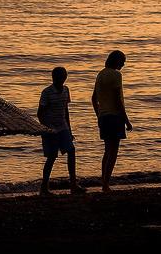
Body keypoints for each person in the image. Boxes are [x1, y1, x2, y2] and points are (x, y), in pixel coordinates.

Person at [37, 66, 86, 196]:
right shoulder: (46, 92)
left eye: (62, 77)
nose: (61, 80)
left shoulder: (65, 90)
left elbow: (66, 110)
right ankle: (44, 187)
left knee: (71, 151)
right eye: (58, 77)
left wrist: (69, 129)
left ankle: (73, 184)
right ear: (54, 78)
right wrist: (46, 129)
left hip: (63, 126)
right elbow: (40, 113)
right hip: (50, 129)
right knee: (52, 157)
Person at [91, 50, 133, 192]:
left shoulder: (100, 74)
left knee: (107, 151)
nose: (123, 64)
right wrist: (127, 121)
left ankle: (104, 181)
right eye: (122, 61)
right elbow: (117, 101)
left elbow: (93, 99)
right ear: (116, 61)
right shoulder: (116, 75)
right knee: (113, 152)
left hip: (103, 117)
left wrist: (99, 115)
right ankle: (105, 184)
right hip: (115, 117)